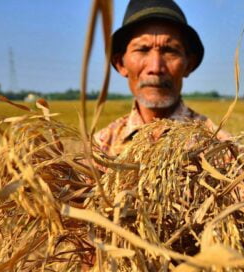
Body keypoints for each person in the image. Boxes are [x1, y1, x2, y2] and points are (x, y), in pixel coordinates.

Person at [94, 0, 231, 157]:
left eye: (170, 50)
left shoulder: (220, 149)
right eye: (142, 49)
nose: (156, 68)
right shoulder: (100, 150)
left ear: (188, 65)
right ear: (121, 64)